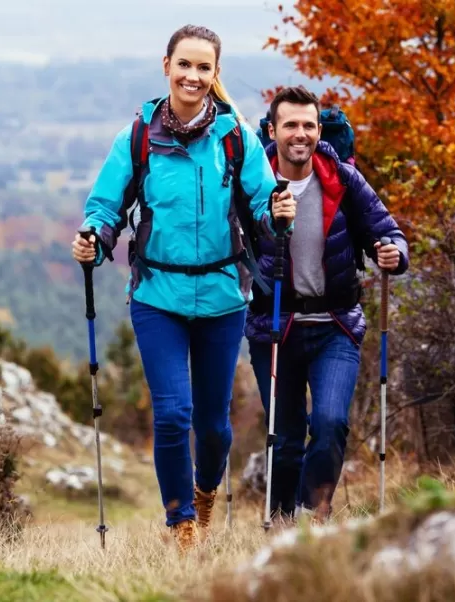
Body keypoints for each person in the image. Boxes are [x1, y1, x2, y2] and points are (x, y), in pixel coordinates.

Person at [70, 24, 295, 552]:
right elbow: (106, 207)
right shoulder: (139, 137)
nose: (193, 76)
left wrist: (278, 213)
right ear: (166, 66)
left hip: (222, 297)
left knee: (214, 427)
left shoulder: (234, 135)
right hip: (157, 297)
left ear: (216, 75)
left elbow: (263, 203)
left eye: (204, 67)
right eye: (185, 65)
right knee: (173, 414)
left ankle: (205, 491)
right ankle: (181, 524)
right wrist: (94, 241)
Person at [245, 85, 409, 523]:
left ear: (319, 130)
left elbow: (386, 229)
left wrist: (393, 252)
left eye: (308, 125)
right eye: (290, 125)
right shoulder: (255, 181)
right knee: (285, 437)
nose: (300, 134)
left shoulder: (342, 177)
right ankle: (280, 527)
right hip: (274, 326)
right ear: (273, 130)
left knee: (332, 424)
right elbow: (233, 241)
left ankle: (312, 517)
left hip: (336, 323)